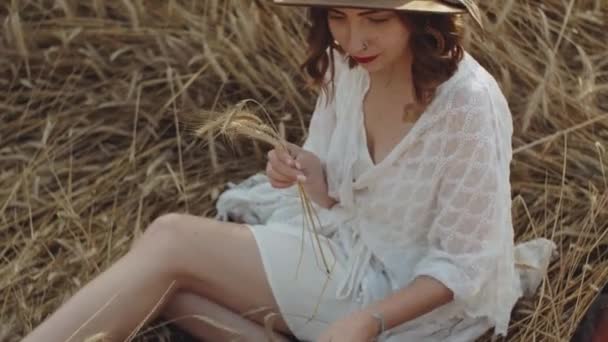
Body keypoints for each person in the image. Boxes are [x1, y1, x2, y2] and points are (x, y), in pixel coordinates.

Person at [23, 1, 557, 341]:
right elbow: (331, 185)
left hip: (407, 301)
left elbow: (465, 263)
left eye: (376, 19)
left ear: (423, 20)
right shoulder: (348, 64)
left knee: (168, 242)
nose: (354, 39)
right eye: (339, 16)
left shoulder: (467, 105)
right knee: (174, 291)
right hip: (345, 249)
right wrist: (300, 168)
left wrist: (367, 321)